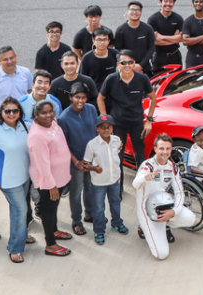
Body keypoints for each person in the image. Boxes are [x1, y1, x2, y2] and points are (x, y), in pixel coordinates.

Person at [0, 97, 34, 263]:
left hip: (25, 176)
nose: (12, 114)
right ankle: (15, 248)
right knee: (20, 210)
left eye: (15, 110)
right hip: (8, 180)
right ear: (1, 112)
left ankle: (22, 235)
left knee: (19, 210)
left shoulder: (26, 125)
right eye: (7, 111)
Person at [133, 134, 196, 260]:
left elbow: (179, 193)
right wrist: (146, 177)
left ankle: (166, 224)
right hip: (146, 210)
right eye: (161, 148)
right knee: (161, 254)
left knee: (191, 219)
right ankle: (143, 227)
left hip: (164, 205)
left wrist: (173, 212)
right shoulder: (148, 165)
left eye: (168, 148)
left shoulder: (172, 167)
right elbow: (135, 184)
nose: (165, 152)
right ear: (155, 148)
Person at [98, 50, 158, 173]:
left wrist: (149, 121)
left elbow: (153, 97)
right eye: (123, 62)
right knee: (118, 156)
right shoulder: (111, 79)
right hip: (118, 123)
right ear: (118, 64)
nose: (127, 65)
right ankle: (118, 190)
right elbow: (100, 99)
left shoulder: (142, 78)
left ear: (134, 63)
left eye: (130, 62)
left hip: (137, 123)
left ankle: (142, 184)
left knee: (140, 155)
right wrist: (106, 121)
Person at [27, 101, 73, 257]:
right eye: (43, 113)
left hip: (59, 178)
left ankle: (54, 230)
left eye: (50, 111)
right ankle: (50, 244)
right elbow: (42, 164)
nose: (48, 115)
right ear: (36, 115)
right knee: (48, 211)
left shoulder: (52, 123)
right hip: (49, 182)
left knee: (54, 207)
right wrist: (51, 186)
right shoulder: (37, 136)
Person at [58, 83, 100, 236]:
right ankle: (76, 220)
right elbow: (63, 144)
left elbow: (96, 131)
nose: (80, 100)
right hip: (75, 162)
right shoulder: (63, 118)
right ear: (71, 97)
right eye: (77, 97)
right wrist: (75, 161)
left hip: (91, 159)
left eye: (83, 97)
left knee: (90, 187)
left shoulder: (91, 109)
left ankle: (89, 213)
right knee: (76, 192)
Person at [83, 114, 128, 245]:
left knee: (116, 202)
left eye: (109, 127)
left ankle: (117, 222)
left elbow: (116, 155)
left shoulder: (117, 140)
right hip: (99, 182)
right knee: (98, 208)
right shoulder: (92, 145)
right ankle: (99, 230)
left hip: (114, 179)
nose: (106, 130)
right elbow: (85, 163)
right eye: (103, 128)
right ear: (97, 129)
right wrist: (93, 168)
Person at [113, 1, 155, 74]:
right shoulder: (120, 30)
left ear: (141, 12)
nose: (135, 12)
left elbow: (151, 48)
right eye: (132, 10)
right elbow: (118, 50)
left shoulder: (148, 29)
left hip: (144, 67)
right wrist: (130, 65)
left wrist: (140, 65)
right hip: (126, 68)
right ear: (127, 11)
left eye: (137, 10)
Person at [148, 0, 184, 75]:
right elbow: (155, 41)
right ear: (160, 2)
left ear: (173, 3)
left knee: (176, 81)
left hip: (175, 55)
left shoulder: (178, 18)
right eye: (165, 1)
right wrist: (174, 38)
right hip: (158, 56)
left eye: (171, 1)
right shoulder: (152, 19)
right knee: (158, 81)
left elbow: (181, 38)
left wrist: (161, 36)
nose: (168, 4)